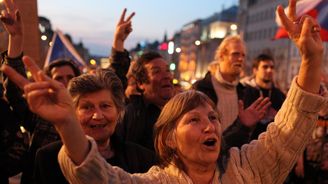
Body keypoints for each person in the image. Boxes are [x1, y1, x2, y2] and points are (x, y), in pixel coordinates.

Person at [2, 0, 327, 183]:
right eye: (194, 119)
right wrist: (67, 124)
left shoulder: (247, 167)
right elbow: (98, 178)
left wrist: (311, 61)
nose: (210, 125)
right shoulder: (156, 180)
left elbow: (287, 133)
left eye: (212, 117)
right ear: (170, 137)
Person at [34, 68, 156, 184]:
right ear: (73, 113)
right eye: (87, 107)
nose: (97, 116)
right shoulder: (48, 158)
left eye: (105, 106)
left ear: (118, 112)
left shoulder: (143, 158)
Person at [116, 51, 175, 151]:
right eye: (156, 71)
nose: (167, 76)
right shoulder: (132, 115)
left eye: (168, 70)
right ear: (140, 83)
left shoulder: (178, 111)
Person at [242, 54, 286, 140]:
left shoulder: (279, 95)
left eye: (272, 67)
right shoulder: (245, 92)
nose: (269, 70)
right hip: (249, 143)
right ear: (255, 70)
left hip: (273, 143)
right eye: (265, 67)